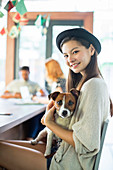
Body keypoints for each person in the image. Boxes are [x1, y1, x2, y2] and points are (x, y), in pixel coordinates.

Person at [0, 28, 112, 170]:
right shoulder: (88, 83)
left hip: (69, 163)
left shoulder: (93, 85)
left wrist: (49, 122)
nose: (70, 59)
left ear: (91, 50)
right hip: (62, 151)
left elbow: (86, 144)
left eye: (75, 51)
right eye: (65, 55)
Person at [0, 66, 46, 140]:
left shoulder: (34, 84)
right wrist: (14, 95)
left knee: (36, 115)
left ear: (29, 73)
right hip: (16, 107)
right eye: (23, 74)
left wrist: (34, 96)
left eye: (26, 74)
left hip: (30, 106)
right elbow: (2, 95)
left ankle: (31, 137)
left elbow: (43, 94)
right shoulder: (14, 83)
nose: (24, 76)